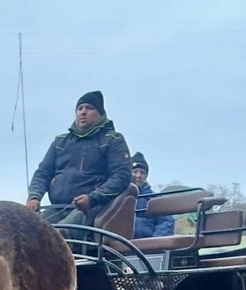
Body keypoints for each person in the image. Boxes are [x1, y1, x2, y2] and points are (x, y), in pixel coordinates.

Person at [26, 91, 132, 227]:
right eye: (80, 108)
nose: (83, 112)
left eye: (89, 108)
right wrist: (34, 197)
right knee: (30, 231)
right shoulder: (60, 142)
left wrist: (93, 198)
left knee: (60, 235)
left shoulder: (112, 140)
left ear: (100, 113)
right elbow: (43, 173)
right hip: (57, 207)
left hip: (93, 208)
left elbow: (121, 176)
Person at [130, 152, 175, 238]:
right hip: (120, 243)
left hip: (146, 243)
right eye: (135, 172)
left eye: (142, 172)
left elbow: (166, 221)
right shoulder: (118, 198)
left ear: (146, 176)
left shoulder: (155, 199)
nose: (138, 175)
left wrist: (157, 241)